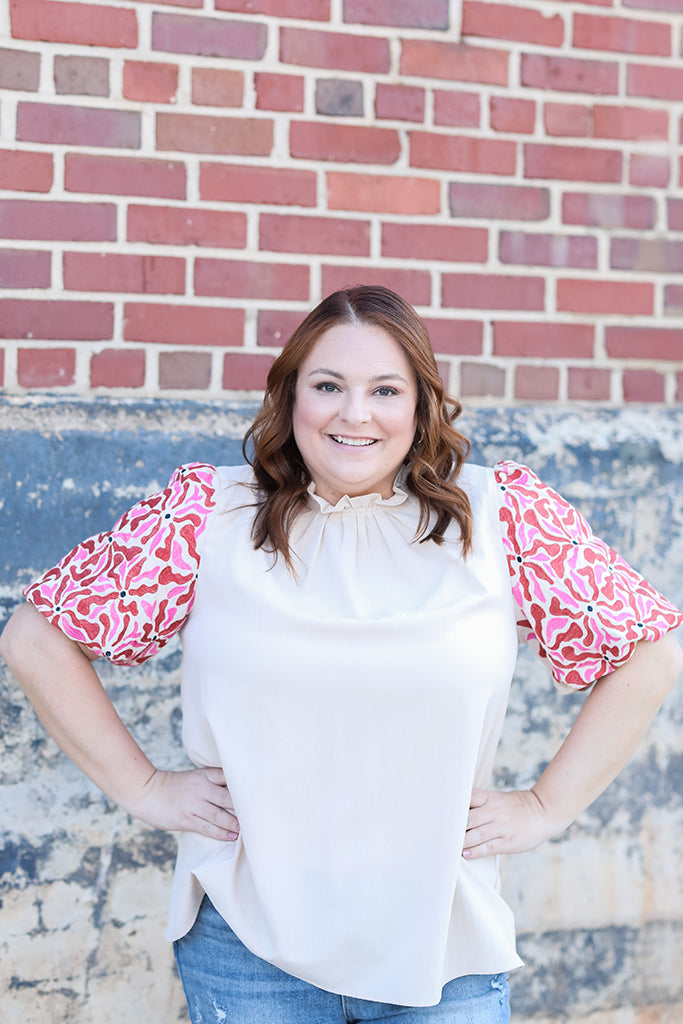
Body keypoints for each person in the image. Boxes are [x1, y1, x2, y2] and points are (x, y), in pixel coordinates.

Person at [1, 285, 681, 1024]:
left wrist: (546, 806)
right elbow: (39, 638)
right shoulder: (208, 516)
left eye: (384, 390)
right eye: (328, 386)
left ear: (419, 406)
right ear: (291, 398)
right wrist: (143, 788)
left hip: (441, 945)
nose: (354, 414)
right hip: (249, 947)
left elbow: (646, 649)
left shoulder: (499, 518)